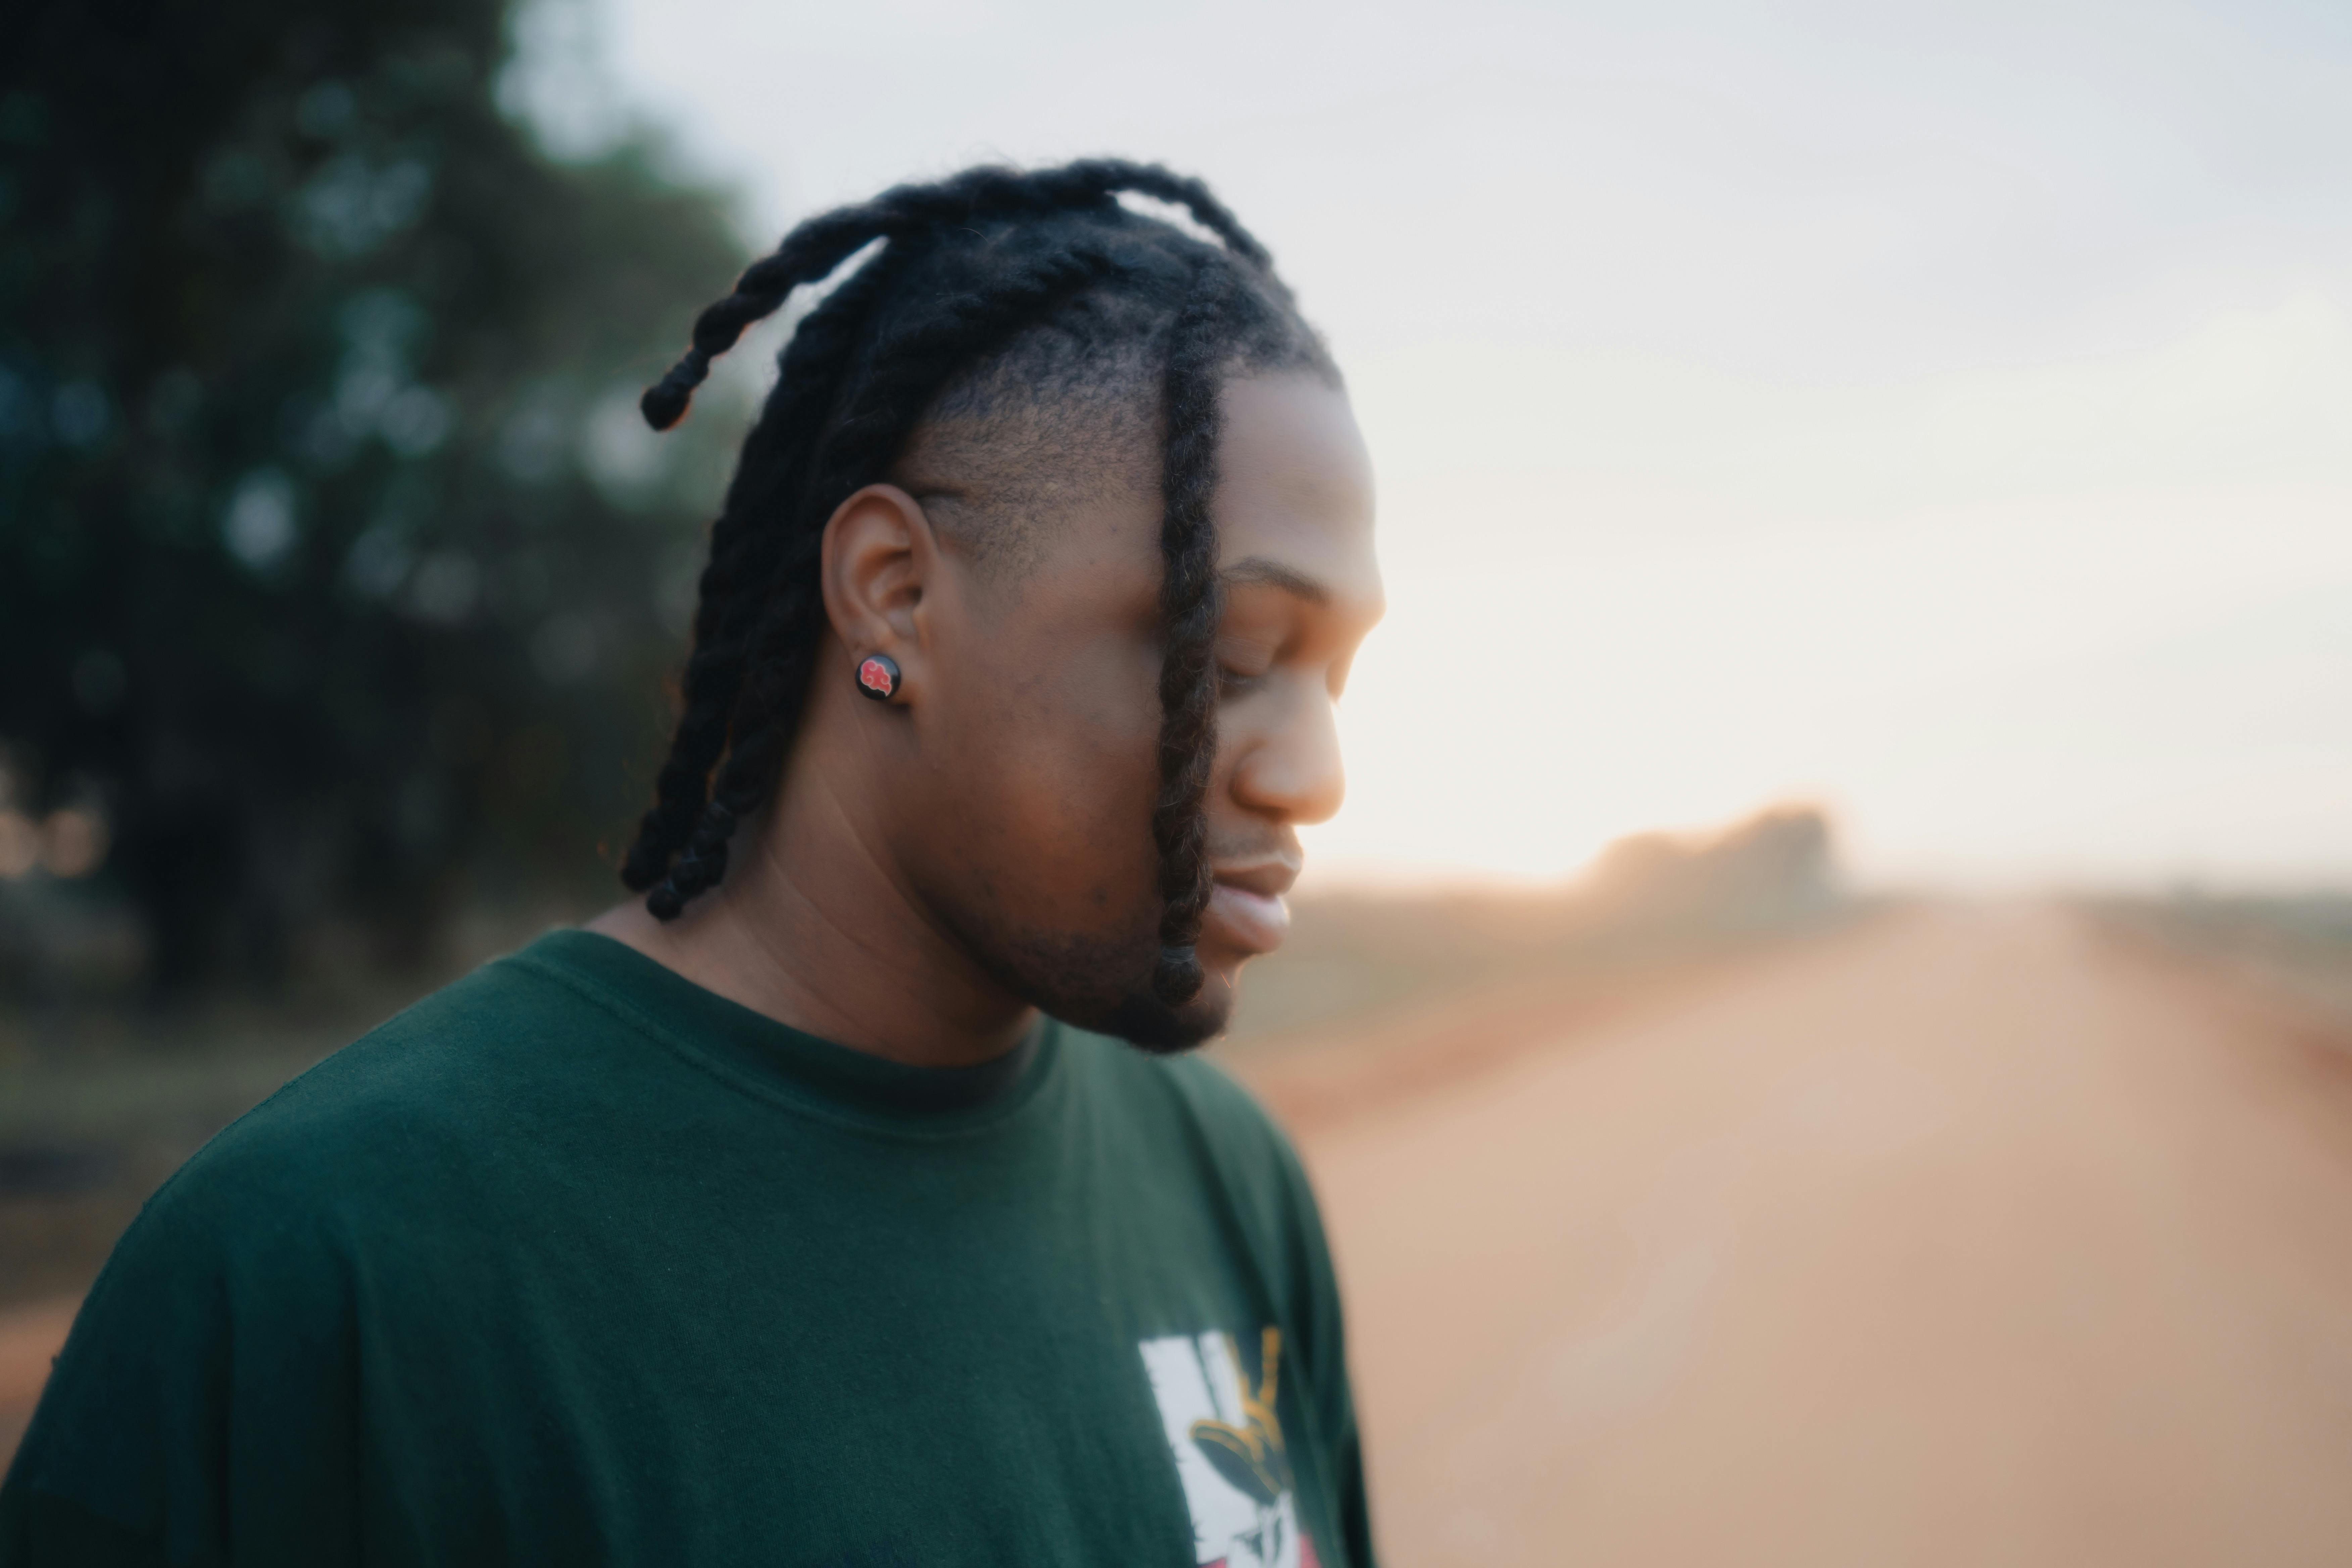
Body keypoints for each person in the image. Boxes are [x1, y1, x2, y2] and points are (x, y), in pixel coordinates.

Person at [0, 159, 1383, 1568]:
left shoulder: (1228, 1183)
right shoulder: (325, 1274)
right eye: (1237, 657)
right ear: (894, 593)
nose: (1314, 773)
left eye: (1335, 676)